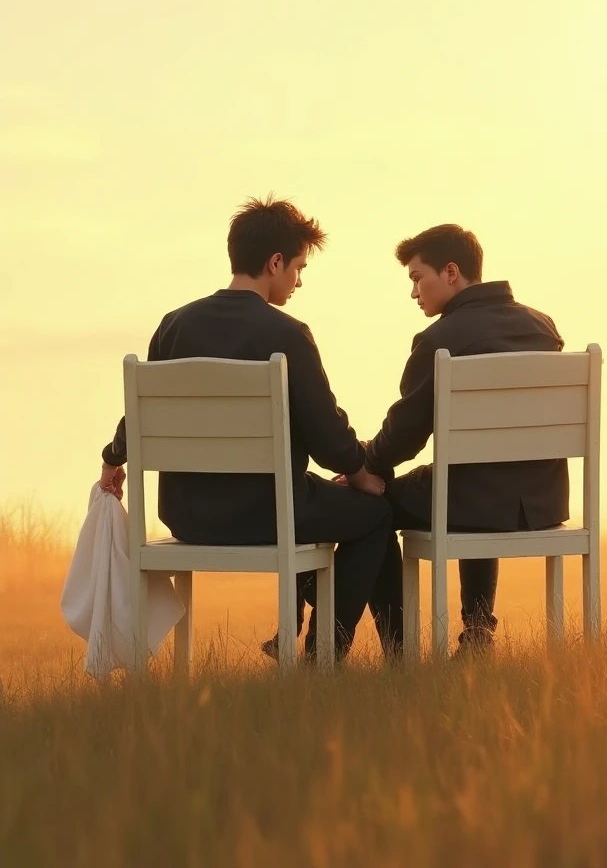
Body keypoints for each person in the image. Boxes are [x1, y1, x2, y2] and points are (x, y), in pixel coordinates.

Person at [99, 196, 397, 660]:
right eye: (298, 267)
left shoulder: (174, 325)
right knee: (376, 516)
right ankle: (326, 654)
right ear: (275, 262)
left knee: (315, 497)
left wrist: (113, 457)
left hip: (188, 515)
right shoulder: (288, 334)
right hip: (269, 515)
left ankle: (298, 634)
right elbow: (327, 436)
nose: (298, 281)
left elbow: (142, 412)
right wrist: (360, 473)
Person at [365, 224, 569, 654]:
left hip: (471, 501)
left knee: (369, 507)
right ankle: (478, 631)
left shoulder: (441, 340)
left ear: (451, 272)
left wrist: (367, 465)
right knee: (475, 475)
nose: (414, 291)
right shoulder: (543, 327)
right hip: (543, 501)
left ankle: (399, 653)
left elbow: (404, 437)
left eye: (418, 278)